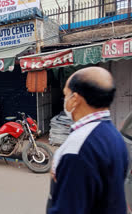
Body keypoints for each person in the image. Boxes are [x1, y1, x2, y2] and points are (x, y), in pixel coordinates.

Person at [46, 67, 128, 214]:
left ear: (75, 99)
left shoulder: (78, 146)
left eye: (66, 94)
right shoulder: (114, 135)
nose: (65, 100)